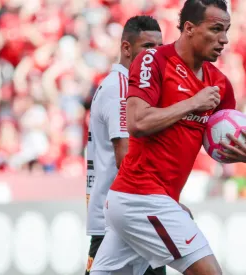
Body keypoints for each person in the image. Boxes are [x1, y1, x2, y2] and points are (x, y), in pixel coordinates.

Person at [90, 1, 246, 275]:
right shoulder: (153, 60)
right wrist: (192, 102)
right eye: (216, 29)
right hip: (142, 196)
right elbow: (137, 122)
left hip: (145, 201)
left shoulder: (219, 84)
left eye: (227, 30)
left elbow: (224, 139)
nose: (224, 39)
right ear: (189, 28)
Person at [85, 15, 177, 275]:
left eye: (159, 49)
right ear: (126, 48)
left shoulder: (126, 86)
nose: (154, 56)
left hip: (126, 218)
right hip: (124, 222)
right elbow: (125, 157)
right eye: (148, 47)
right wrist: (162, 200)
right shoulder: (122, 88)